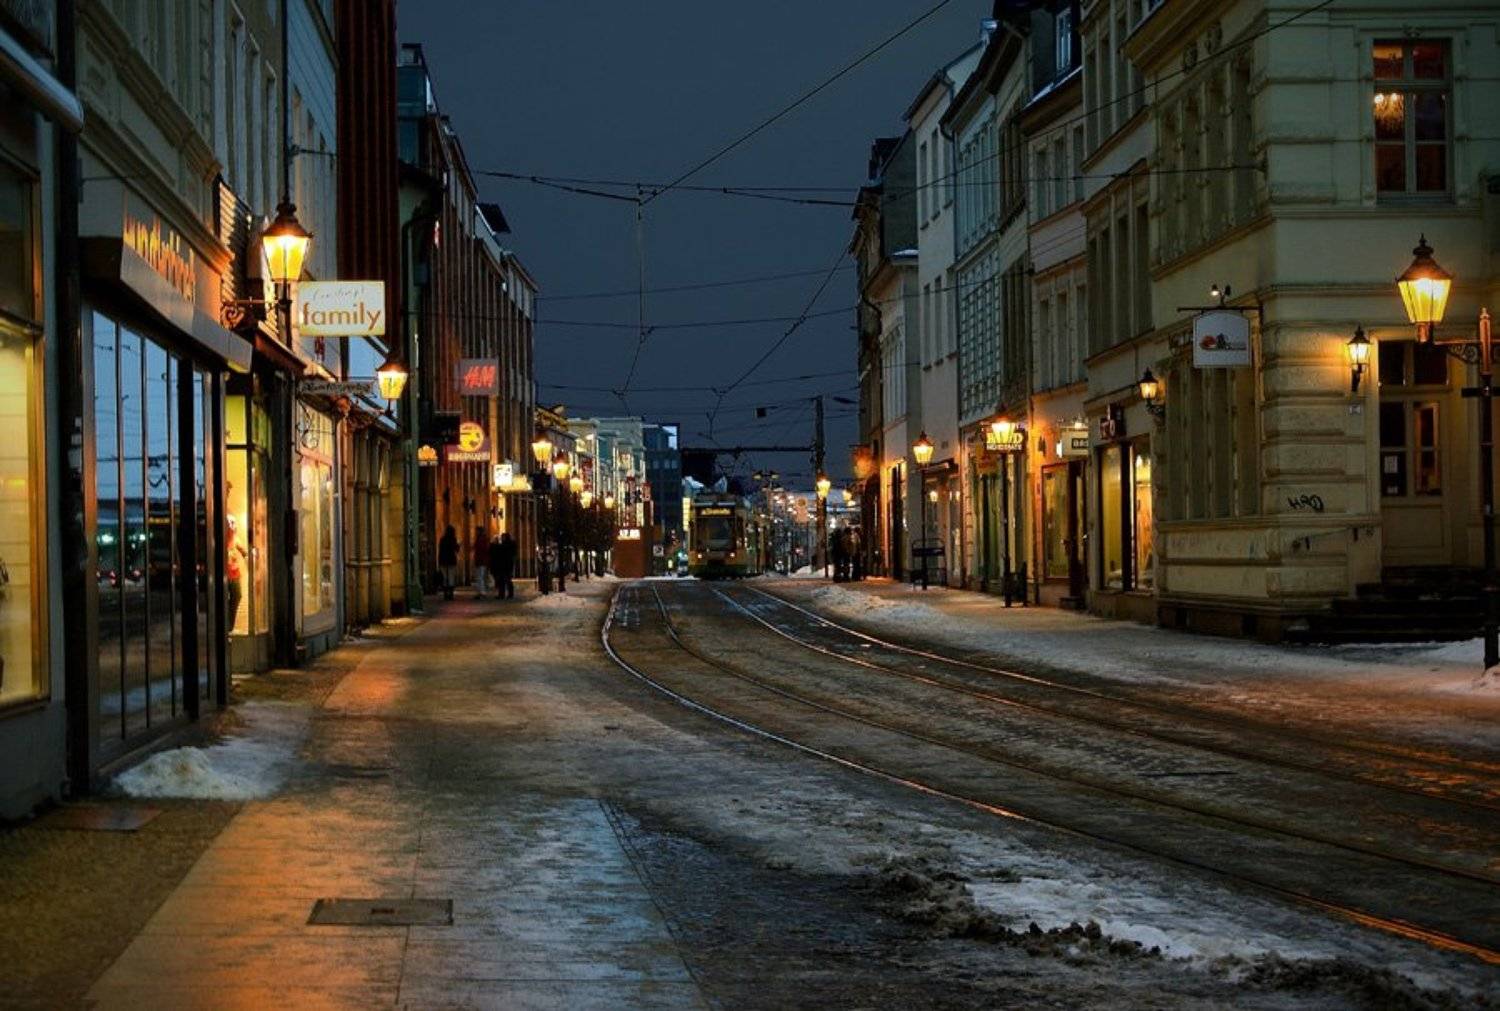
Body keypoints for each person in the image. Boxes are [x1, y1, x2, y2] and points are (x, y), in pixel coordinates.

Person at [225, 514, 248, 632]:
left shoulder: (234, 537)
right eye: (230, 523)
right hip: (227, 573)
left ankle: (229, 626)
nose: (232, 526)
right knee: (230, 598)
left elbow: (242, 548)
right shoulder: (225, 537)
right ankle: (227, 626)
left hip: (233, 573)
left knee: (237, 596)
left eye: (233, 523)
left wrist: (247, 554)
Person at [491, 532, 517, 600]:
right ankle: (508, 594)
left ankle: (503, 594)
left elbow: (498, 551)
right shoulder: (510, 544)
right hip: (507, 565)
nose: (502, 538)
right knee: (506, 580)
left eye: (503, 537)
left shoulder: (506, 545)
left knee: (504, 580)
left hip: (505, 565)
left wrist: (493, 544)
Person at [438, 525, 459, 600]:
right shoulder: (453, 539)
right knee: (451, 577)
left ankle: (445, 594)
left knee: (445, 578)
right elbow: (456, 549)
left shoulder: (442, 539)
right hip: (451, 560)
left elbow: (440, 551)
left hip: (443, 560)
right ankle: (451, 594)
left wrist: (439, 561)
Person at [472, 527, 491, 598]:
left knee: (480, 577)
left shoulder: (482, 539)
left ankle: (482, 592)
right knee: (479, 577)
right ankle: (480, 591)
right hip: (481, 560)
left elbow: (482, 550)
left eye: (477, 531)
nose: (476, 532)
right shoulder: (483, 539)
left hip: (481, 560)